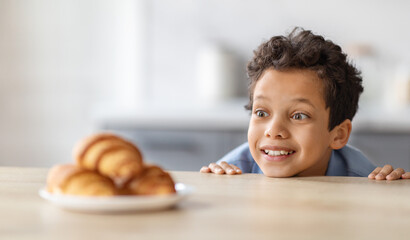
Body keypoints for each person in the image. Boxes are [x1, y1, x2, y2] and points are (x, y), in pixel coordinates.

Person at [200, 28, 410, 181]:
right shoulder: (235, 171)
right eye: (262, 112)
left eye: (298, 116)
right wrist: (214, 183)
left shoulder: (361, 178)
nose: (274, 131)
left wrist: (392, 186)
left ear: (338, 134)